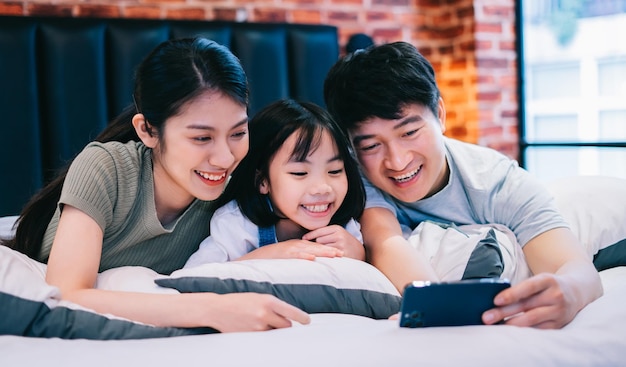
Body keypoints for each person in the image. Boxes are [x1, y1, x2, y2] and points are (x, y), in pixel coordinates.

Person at [1, 37, 310, 332]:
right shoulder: (105, 167)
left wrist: (350, 245)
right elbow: (66, 293)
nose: (224, 158)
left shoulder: (231, 192)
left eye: (238, 133)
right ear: (147, 130)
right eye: (202, 138)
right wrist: (211, 309)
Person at [323, 41, 603, 329]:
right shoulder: (355, 177)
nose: (396, 161)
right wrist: (440, 308)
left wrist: (569, 291)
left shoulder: (496, 181)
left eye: (409, 132)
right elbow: (383, 239)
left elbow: (578, 269)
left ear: (440, 115)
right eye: (371, 145)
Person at [184, 99, 365, 268]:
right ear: (262, 180)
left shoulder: (345, 229)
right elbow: (193, 277)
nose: (323, 188)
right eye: (300, 173)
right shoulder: (236, 225)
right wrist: (262, 257)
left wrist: (360, 255)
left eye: (335, 171)